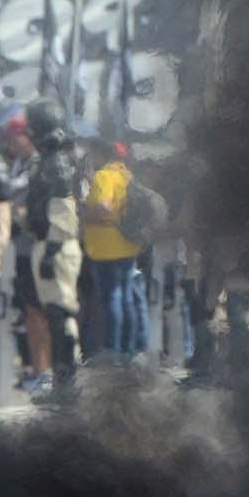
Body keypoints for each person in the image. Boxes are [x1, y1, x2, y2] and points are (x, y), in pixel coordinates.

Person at [15, 102, 85, 392]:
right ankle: (62, 380)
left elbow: (64, 211)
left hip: (57, 245)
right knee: (54, 313)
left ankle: (67, 382)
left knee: (61, 315)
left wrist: (53, 251)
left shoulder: (56, 161)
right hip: (47, 242)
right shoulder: (48, 159)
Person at [78, 136, 141, 359]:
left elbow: (104, 207)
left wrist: (84, 214)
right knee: (126, 298)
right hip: (128, 245)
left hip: (107, 249)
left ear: (101, 155)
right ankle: (128, 349)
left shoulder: (104, 176)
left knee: (112, 298)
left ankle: (113, 351)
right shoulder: (127, 176)